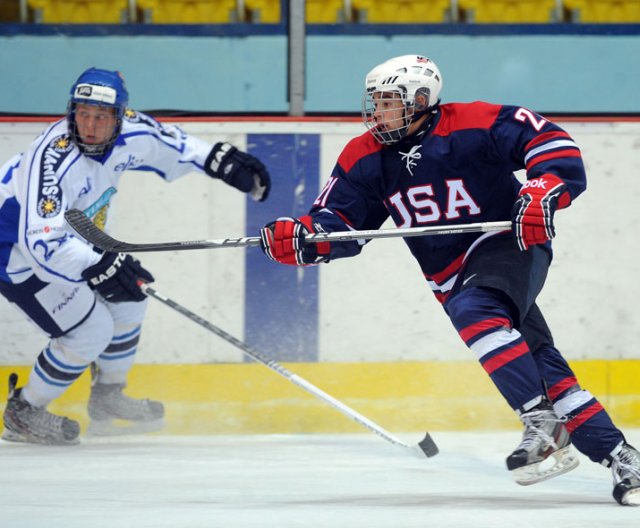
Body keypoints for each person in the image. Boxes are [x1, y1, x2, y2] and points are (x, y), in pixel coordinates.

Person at [259, 54, 640, 506]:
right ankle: (622, 457)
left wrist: (544, 188)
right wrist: (306, 239)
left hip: (510, 242)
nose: (375, 112)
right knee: (540, 364)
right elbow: (341, 222)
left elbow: (549, 141)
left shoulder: (472, 122)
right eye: (375, 102)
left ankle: (541, 423)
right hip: (451, 277)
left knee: (474, 309)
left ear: (421, 100)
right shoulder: (364, 156)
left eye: (387, 102)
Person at [0, 67, 271, 445]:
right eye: (82, 114)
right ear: (71, 112)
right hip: (15, 249)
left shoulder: (132, 130)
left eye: (101, 116)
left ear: (120, 116)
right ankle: (23, 412)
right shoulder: (51, 161)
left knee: (130, 295)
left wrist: (220, 161)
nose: (90, 125)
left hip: (70, 234)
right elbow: (41, 241)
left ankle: (108, 398)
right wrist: (97, 263)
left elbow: (172, 144)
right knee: (89, 330)